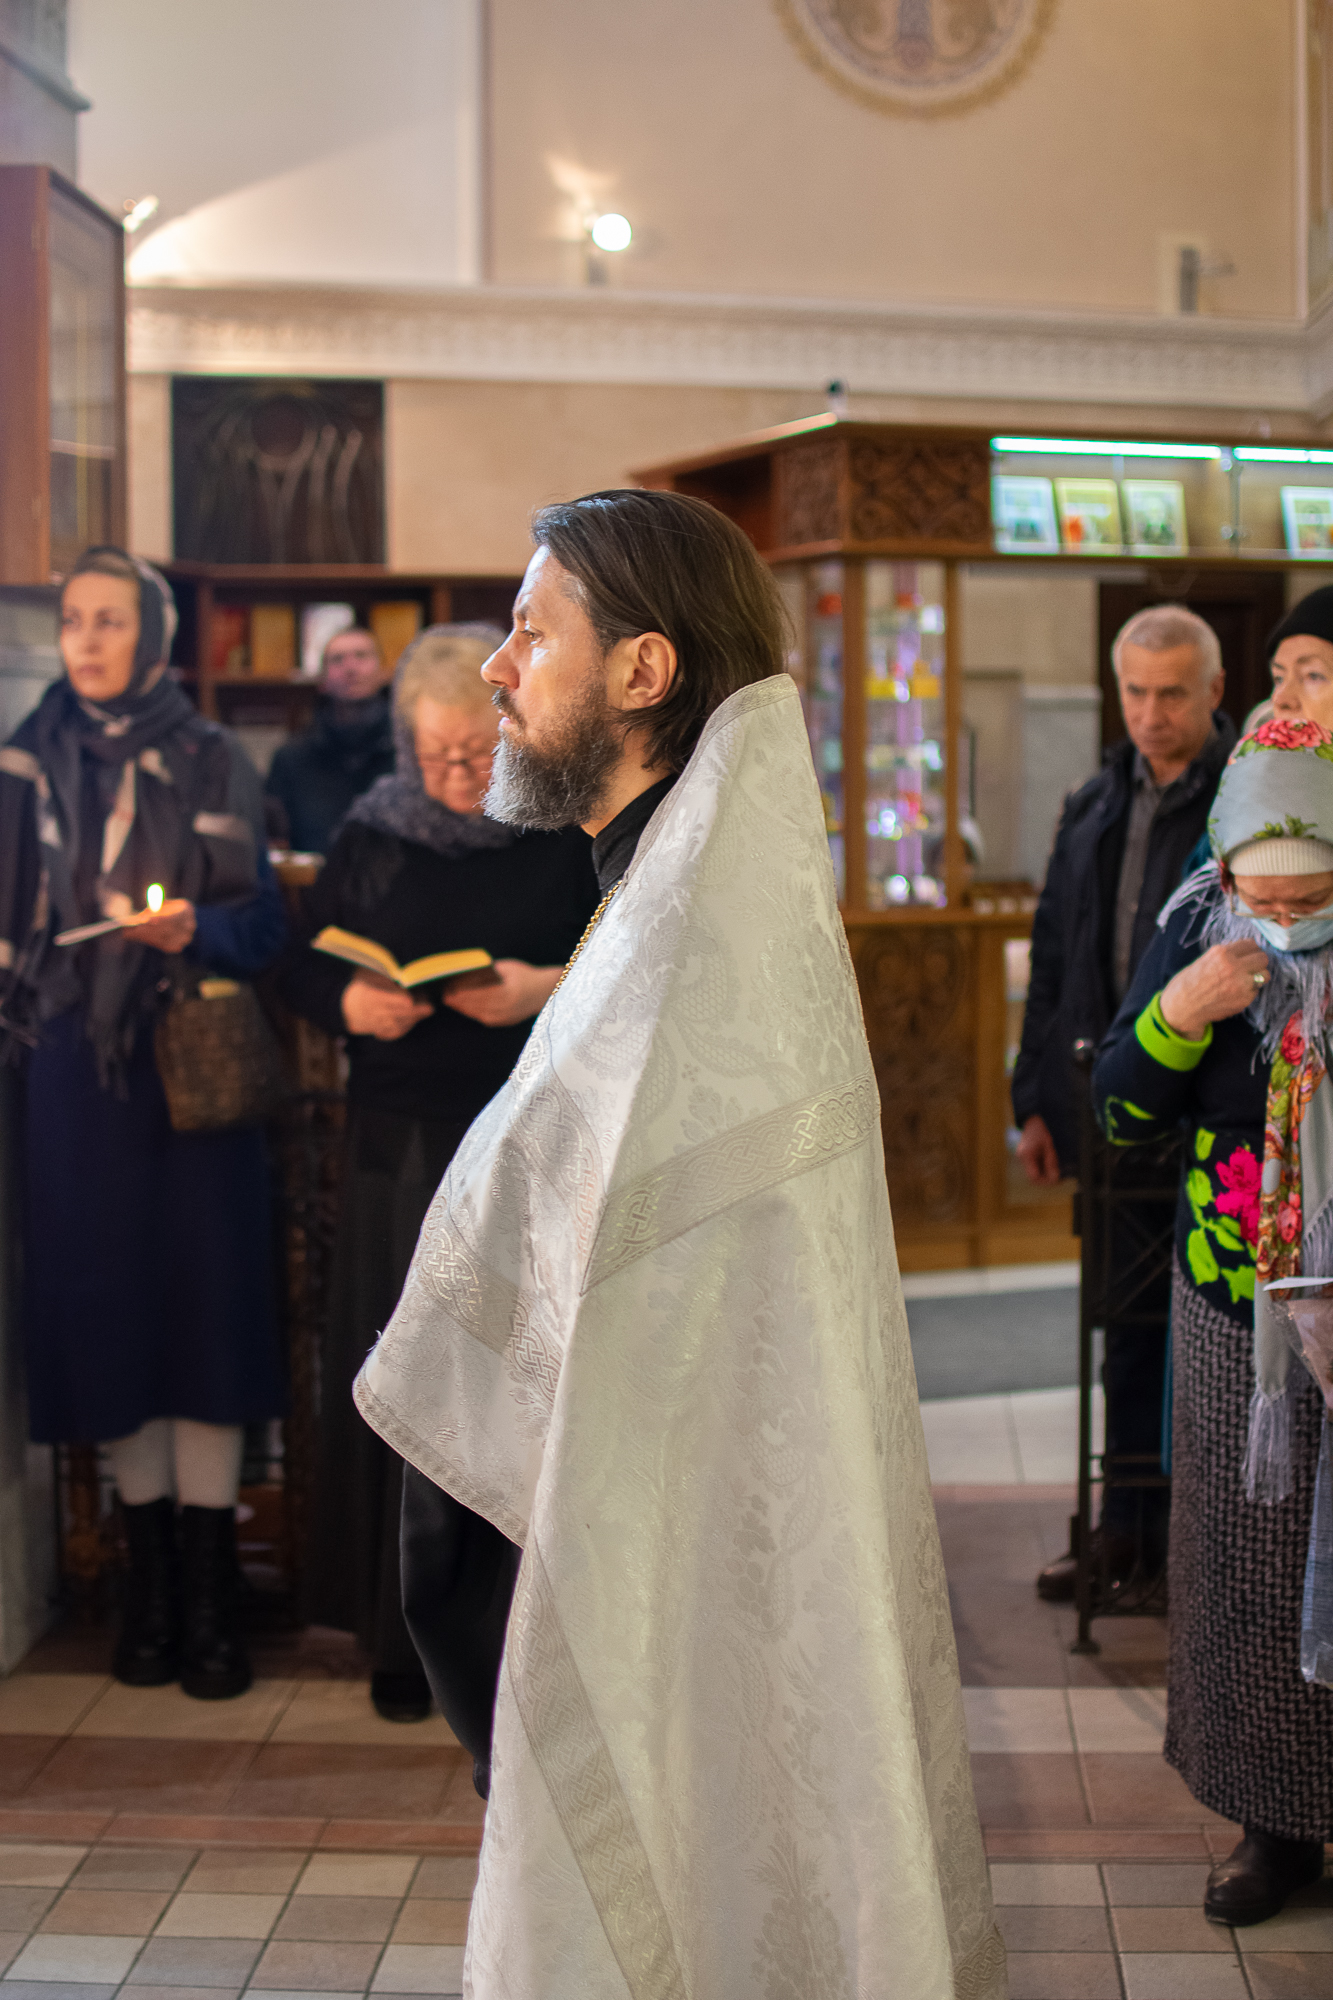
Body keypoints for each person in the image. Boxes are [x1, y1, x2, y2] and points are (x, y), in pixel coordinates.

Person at [354, 492, 1003, 1998]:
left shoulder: (693, 935)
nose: (498, 667)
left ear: (643, 671)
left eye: (532, 633)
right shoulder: (670, 889)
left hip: (654, 1509)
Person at [275, 625, 599, 1724]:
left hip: (522, 1135)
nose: (457, 774)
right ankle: (396, 1635)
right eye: (435, 756)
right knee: (397, 1373)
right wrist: (349, 1001)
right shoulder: (374, 834)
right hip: (395, 1142)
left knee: (506, 1379)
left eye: (474, 751)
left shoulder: (559, 826)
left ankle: (510, 1635)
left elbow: (626, 959)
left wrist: (536, 988)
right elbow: (302, 964)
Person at [0, 546, 287, 1699]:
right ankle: (149, 1591)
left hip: (193, 1068)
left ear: (154, 637)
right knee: (110, 1315)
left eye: (110, 619)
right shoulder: (26, 755)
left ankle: (212, 1598)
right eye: (74, 618)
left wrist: (193, 933)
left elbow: (262, 927)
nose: (86, 638)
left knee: (205, 1317)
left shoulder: (212, 753)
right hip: (76, 1072)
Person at [1093, 716, 1333, 1925]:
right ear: (1226, 872)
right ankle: (1269, 1824)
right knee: (1247, 1574)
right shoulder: (1196, 929)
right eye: (1262, 896)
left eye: (1312, 898)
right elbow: (1118, 1114)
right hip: (1236, 1309)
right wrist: (1177, 1014)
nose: (1282, 919)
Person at [1012, 604, 1234, 1601]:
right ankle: (1122, 1533)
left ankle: (1190, 1540)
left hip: (1200, 1110)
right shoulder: (1094, 799)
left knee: (1201, 1338)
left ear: (1212, 691)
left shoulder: (1241, 801)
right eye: (1135, 692)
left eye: (1171, 693)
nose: (1150, 712)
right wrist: (1033, 1099)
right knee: (1122, 1329)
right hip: (1105, 1104)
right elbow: (1056, 952)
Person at [264, 625, 394, 854]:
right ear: (322, 680)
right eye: (338, 660)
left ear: (383, 671)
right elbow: (277, 843)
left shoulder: (410, 754)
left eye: (361, 656)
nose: (350, 668)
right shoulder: (291, 759)